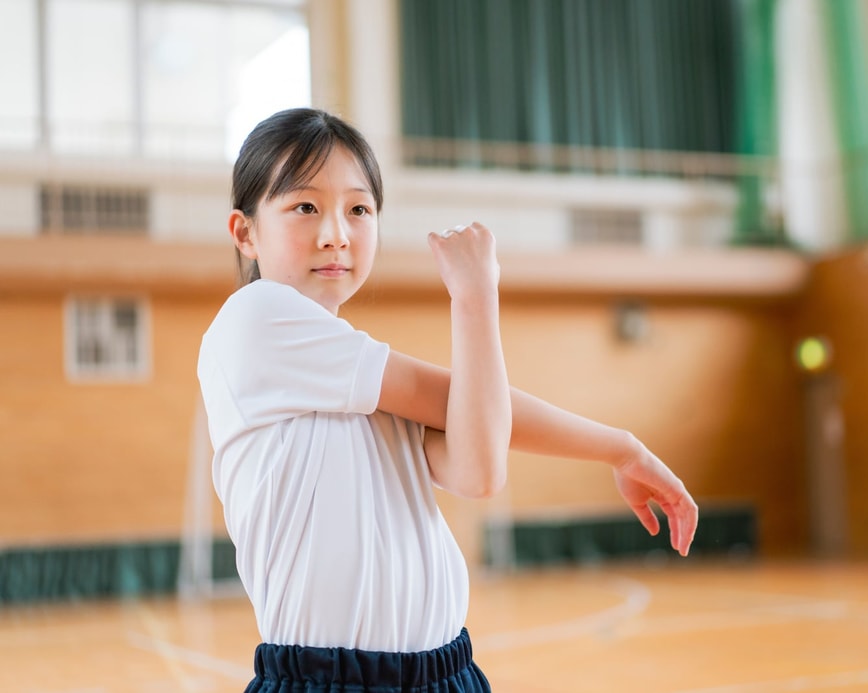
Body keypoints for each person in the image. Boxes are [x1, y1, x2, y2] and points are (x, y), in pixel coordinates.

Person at [197, 107, 698, 693]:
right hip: (330, 680)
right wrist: (475, 295)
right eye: (305, 206)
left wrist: (623, 449)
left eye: (359, 208)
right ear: (245, 232)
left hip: (446, 671)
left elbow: (479, 467)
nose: (336, 232)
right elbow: (452, 401)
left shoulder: (354, 375)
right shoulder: (256, 317)